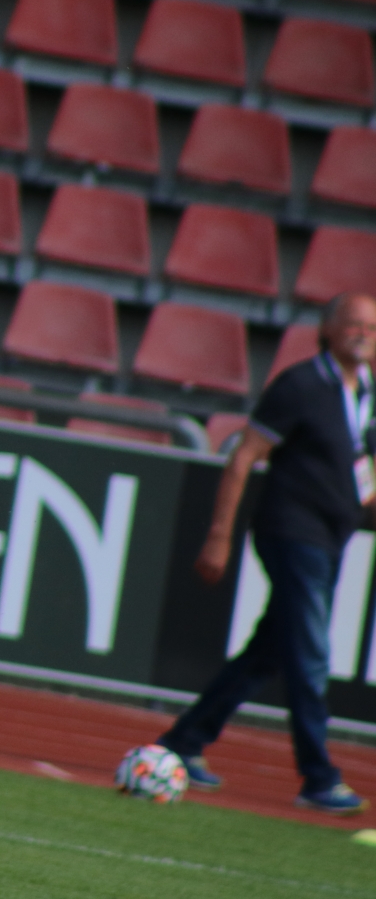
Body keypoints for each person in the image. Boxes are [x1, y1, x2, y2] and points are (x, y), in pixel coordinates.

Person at [156, 291, 376, 814]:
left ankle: (184, 741)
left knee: (269, 651)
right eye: (353, 324)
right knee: (309, 654)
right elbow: (243, 457)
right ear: (327, 329)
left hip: (332, 536)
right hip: (291, 531)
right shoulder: (301, 385)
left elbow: (361, 469)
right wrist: (219, 534)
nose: (363, 334)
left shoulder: (366, 393)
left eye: (372, 327)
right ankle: (318, 776)